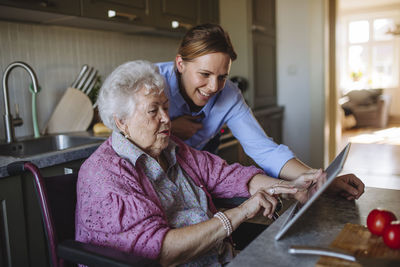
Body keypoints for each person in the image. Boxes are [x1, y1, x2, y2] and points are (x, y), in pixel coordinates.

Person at [75, 60, 325, 266]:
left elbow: (228, 176)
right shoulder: (105, 174)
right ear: (121, 122)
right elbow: (161, 252)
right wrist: (239, 213)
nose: (166, 118)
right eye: (153, 111)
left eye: (166, 107)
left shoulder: (174, 149)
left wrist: (291, 186)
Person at [155, 23, 364, 201]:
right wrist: (169, 128)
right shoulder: (150, 82)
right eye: (205, 74)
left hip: (200, 168)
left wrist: (322, 180)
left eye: (222, 77)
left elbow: (265, 150)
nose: (213, 87)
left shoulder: (229, 95)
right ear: (180, 63)